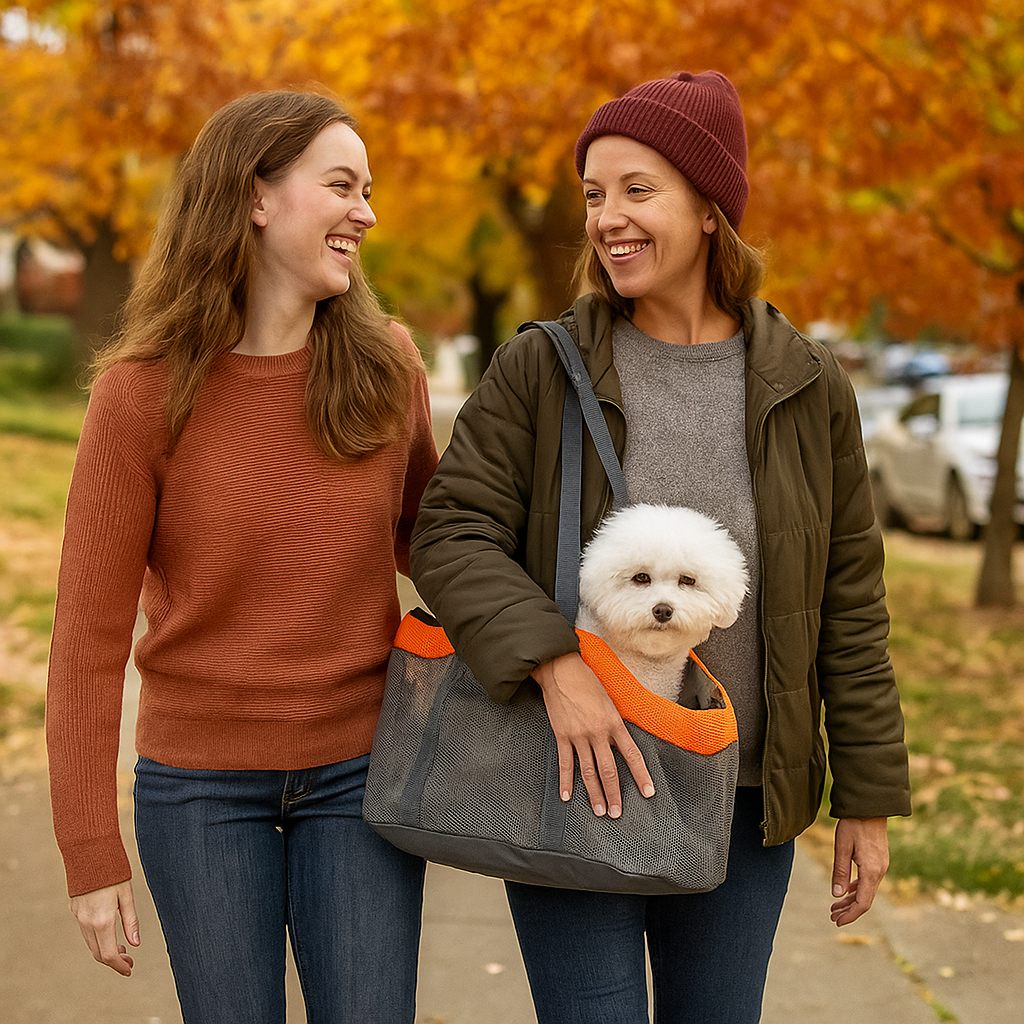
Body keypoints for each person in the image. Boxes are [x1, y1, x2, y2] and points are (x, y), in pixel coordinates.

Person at [410, 70, 911, 1023]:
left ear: (712, 206)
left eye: (639, 190)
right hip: (578, 781)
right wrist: (556, 666)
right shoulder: (542, 367)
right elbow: (451, 532)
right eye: (596, 195)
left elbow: (848, 602)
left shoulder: (808, 384)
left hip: (742, 799)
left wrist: (868, 798)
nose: (608, 219)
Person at [46, 90, 438, 1024]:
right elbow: (86, 642)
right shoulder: (139, 396)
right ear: (255, 197)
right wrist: (90, 849)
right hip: (200, 793)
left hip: (361, 774)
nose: (366, 213)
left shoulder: (388, 373)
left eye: (369, 190)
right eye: (341, 185)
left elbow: (449, 556)